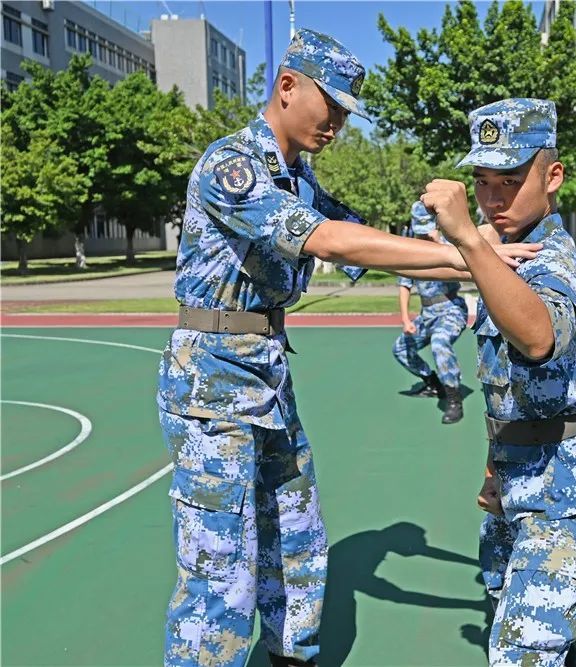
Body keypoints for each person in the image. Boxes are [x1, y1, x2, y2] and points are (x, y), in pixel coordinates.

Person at [157, 30, 539, 666]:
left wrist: (482, 259)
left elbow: (375, 241)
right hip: (210, 384)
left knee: (297, 535)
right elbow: (331, 242)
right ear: (287, 87)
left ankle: (291, 655)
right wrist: (470, 254)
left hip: (265, 376)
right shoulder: (235, 165)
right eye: (329, 107)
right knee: (218, 566)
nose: (336, 125)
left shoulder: (297, 177)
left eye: (344, 115)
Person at [421, 98, 576, 666]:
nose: (493, 199)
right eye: (483, 182)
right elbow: (504, 383)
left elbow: (537, 338)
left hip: (569, 486)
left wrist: (468, 239)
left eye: (510, 181)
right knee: (511, 616)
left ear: (552, 176)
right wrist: (494, 468)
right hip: (518, 475)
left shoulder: (552, 259)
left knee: (519, 653)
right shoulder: (502, 256)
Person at [393, 201, 468, 423]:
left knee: (439, 342)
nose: (425, 235)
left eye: (429, 229)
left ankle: (454, 399)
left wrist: (440, 247)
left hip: (451, 310)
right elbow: (404, 285)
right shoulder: (411, 251)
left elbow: (462, 271)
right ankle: (434, 384)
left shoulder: (449, 246)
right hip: (427, 313)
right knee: (401, 349)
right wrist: (406, 319)